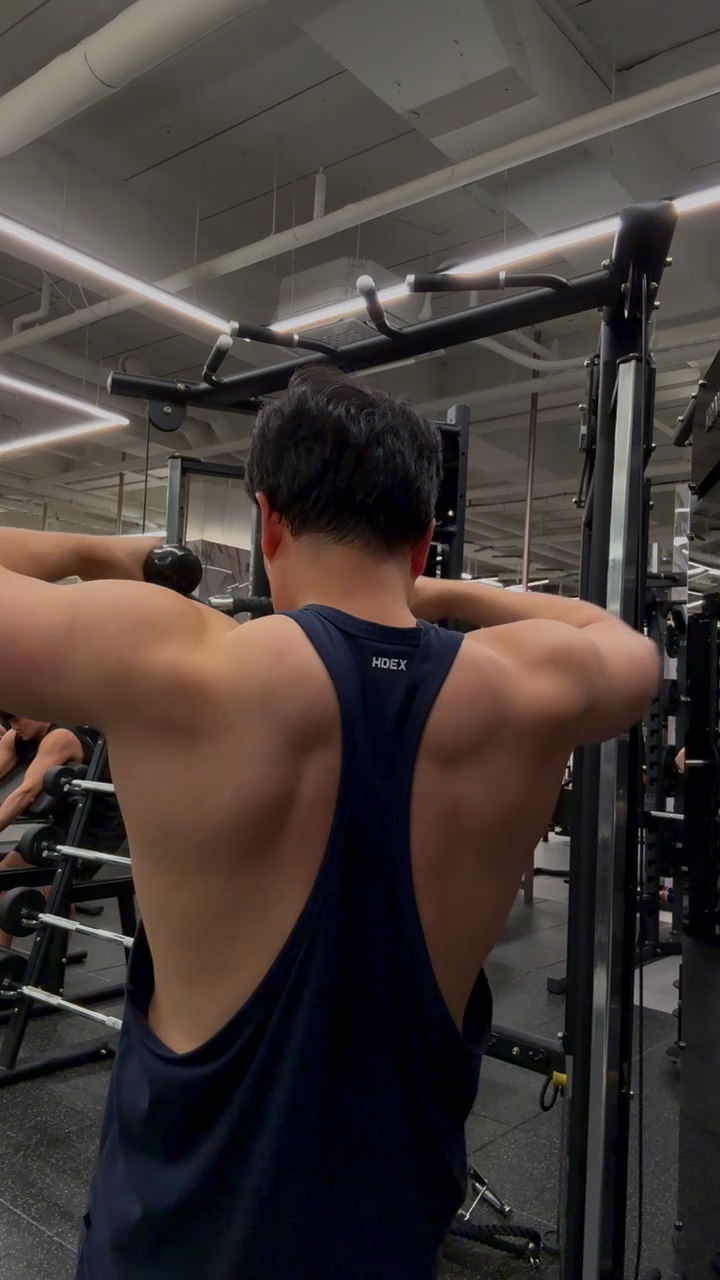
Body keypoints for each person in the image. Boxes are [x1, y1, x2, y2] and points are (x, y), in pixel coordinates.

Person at [0, 367, 658, 1280]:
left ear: (268, 521)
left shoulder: (179, 661)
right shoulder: (528, 685)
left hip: (175, 1240)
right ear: (421, 543)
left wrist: (103, 551)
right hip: (389, 1234)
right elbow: (623, 642)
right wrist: (447, 597)